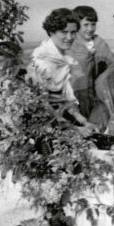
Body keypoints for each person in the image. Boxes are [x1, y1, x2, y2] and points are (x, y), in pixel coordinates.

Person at [26, 8, 98, 137]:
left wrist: (84, 122)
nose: (69, 37)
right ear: (51, 32)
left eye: (73, 32)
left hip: (60, 121)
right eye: (64, 32)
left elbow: (64, 100)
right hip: (43, 126)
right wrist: (75, 129)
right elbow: (44, 107)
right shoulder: (41, 62)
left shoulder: (63, 59)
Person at [69, 5, 114, 129]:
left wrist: (101, 80)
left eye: (93, 24)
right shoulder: (70, 43)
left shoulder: (98, 42)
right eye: (86, 25)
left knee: (95, 127)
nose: (90, 29)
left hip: (93, 95)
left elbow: (113, 64)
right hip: (73, 95)